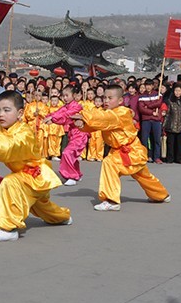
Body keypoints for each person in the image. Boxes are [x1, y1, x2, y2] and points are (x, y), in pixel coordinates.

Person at [0, 90, 71, 241]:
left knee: (9, 182)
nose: (1, 114)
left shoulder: (24, 132)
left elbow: (12, 146)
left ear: (20, 113)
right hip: (27, 178)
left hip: (36, 175)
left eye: (7, 110)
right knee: (41, 206)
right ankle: (63, 217)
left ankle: (8, 228)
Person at [72, 83, 170, 211]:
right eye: (105, 98)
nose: (106, 101)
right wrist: (82, 124)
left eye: (110, 98)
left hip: (130, 150)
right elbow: (99, 123)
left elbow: (103, 119)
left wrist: (84, 116)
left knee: (109, 163)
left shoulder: (121, 112)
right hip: (123, 150)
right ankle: (161, 195)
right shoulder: (108, 112)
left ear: (120, 100)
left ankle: (111, 200)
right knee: (142, 174)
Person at [43, 83, 89, 185]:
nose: (65, 98)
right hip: (73, 134)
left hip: (80, 134)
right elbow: (59, 112)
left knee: (67, 153)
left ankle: (71, 176)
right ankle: (77, 173)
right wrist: (50, 116)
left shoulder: (76, 106)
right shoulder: (66, 106)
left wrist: (53, 119)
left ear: (74, 95)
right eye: (63, 96)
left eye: (67, 95)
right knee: (72, 155)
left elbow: (66, 115)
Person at [163, 83, 181, 164]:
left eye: (179, 91)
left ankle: (179, 158)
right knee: (170, 143)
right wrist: (164, 125)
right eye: (176, 90)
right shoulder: (170, 101)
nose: (177, 92)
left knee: (179, 144)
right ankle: (170, 158)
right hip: (171, 125)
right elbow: (167, 114)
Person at [137, 80, 163, 163]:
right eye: (146, 85)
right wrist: (152, 112)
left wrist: (147, 106)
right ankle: (146, 156)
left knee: (156, 139)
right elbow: (141, 109)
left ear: (152, 86)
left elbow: (159, 104)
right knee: (144, 139)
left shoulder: (158, 94)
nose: (148, 87)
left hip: (156, 119)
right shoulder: (141, 96)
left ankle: (156, 157)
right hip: (146, 120)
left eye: (150, 85)